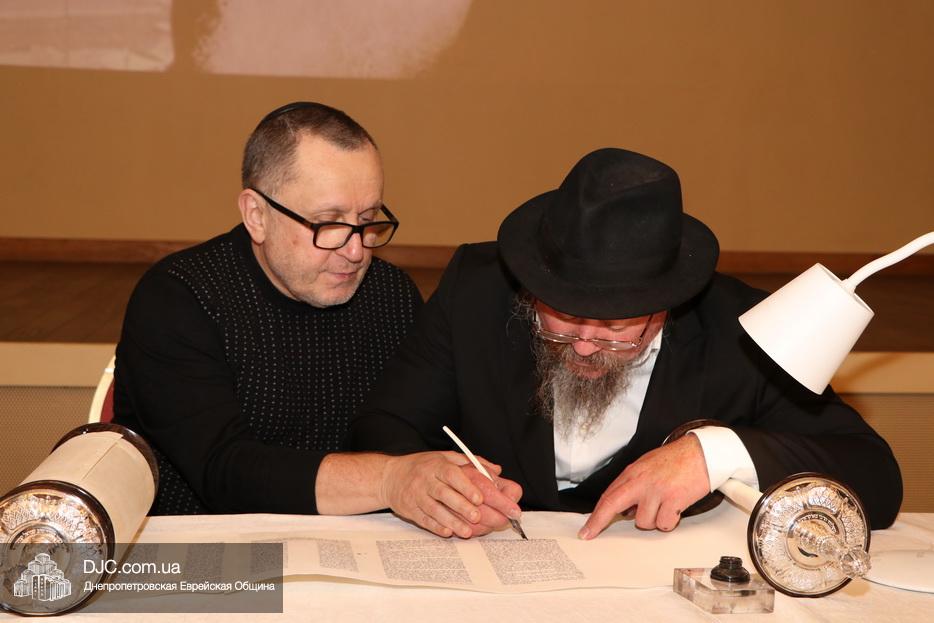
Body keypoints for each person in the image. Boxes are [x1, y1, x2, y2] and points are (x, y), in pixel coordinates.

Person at [351, 147, 903, 539]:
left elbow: (877, 480)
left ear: (667, 303)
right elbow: (383, 424)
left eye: (616, 328)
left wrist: (713, 453)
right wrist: (423, 476)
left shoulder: (743, 331)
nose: (584, 347)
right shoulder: (477, 291)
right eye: (562, 318)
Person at [113, 102, 473, 517]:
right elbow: (225, 472)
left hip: (360, 540)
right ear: (257, 215)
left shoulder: (390, 294)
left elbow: (410, 428)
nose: (356, 251)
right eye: (329, 223)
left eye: (368, 219)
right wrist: (389, 479)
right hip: (210, 541)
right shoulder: (179, 298)